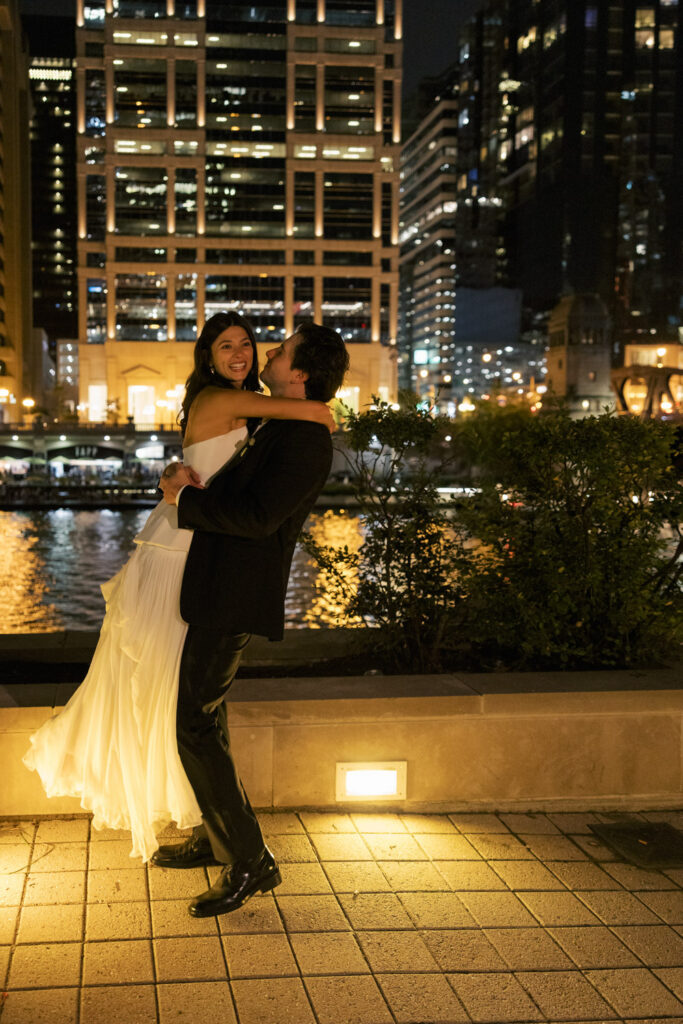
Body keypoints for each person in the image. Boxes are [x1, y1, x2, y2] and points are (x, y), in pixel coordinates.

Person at [23, 312, 336, 861]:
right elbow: (309, 409)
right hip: (182, 550)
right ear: (207, 357)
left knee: (190, 705)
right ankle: (227, 844)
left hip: (201, 548)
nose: (249, 355)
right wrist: (321, 407)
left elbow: (240, 477)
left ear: (297, 366)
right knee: (179, 701)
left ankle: (214, 834)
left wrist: (175, 476)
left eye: (256, 345)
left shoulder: (258, 416)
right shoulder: (228, 401)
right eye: (226, 346)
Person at [156, 321, 349, 918]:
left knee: (193, 721)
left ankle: (250, 859)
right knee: (206, 717)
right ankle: (220, 839)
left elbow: (259, 516)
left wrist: (181, 500)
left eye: (282, 350)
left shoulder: (303, 440)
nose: (268, 351)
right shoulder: (282, 424)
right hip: (216, 584)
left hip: (234, 592)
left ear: (299, 373)